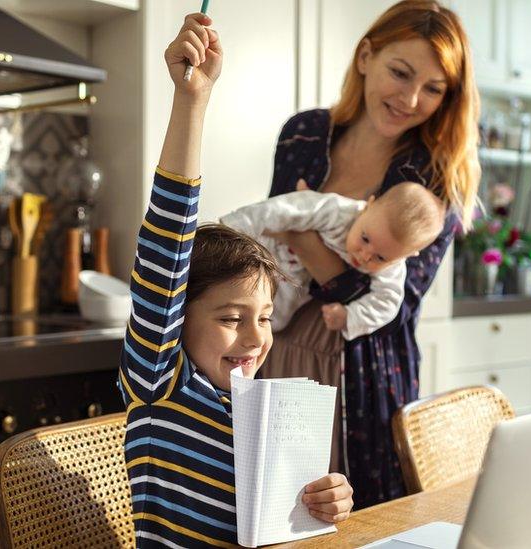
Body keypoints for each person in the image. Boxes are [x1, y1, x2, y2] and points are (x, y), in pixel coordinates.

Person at [119, 13, 354, 547]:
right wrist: (192, 101)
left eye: (265, 318)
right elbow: (166, 241)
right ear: (176, 316)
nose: (255, 339)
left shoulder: (260, 406)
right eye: (230, 319)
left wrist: (328, 498)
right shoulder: (162, 382)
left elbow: (291, 524)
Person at [265, 0, 481, 508]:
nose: (410, 99)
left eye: (434, 89)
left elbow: (389, 300)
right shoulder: (303, 134)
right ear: (365, 56)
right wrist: (302, 247)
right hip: (277, 349)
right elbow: (269, 249)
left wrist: (305, 239)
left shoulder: (436, 176)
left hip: (367, 374)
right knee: (276, 511)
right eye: (400, 73)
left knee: (365, 520)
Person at [220, 181, 444, 340]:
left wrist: (350, 316)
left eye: (380, 257)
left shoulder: (394, 265)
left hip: (296, 280)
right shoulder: (337, 210)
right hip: (269, 248)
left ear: (405, 257)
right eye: (365, 238)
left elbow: (388, 302)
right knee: (230, 279)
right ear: (368, 205)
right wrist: (233, 228)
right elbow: (282, 209)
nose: (365, 256)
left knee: (272, 319)